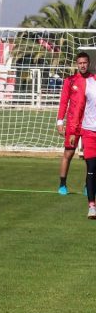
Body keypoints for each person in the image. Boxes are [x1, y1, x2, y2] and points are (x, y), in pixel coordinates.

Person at [56, 52, 91, 195]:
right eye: (80, 63)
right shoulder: (69, 81)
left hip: (90, 123)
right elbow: (64, 102)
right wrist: (60, 121)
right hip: (73, 124)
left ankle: (88, 186)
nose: (82, 65)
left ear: (88, 63)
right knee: (68, 153)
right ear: (77, 64)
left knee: (91, 157)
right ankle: (62, 185)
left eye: (85, 62)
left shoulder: (93, 80)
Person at [69, 63, 96, 218]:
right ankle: (92, 206)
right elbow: (78, 108)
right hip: (89, 131)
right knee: (92, 167)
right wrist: (73, 131)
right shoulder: (88, 83)